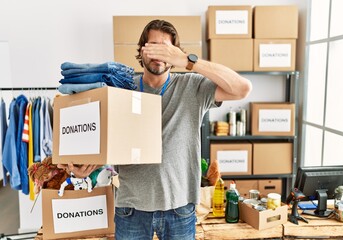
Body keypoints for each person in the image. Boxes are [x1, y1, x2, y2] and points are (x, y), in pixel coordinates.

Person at [63, 19, 252, 240]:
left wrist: (186, 60)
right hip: (131, 209)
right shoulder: (121, 88)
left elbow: (242, 89)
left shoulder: (192, 87)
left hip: (180, 209)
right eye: (153, 47)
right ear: (142, 50)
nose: (159, 55)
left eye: (166, 49)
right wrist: (86, 169)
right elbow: (103, 139)